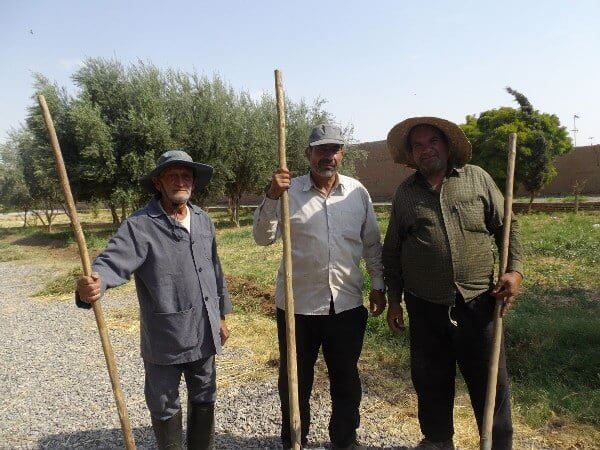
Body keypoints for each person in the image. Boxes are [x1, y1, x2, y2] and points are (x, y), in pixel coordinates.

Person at [382, 117, 523, 450]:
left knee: (491, 383)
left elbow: (507, 227)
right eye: (418, 145)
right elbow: (393, 252)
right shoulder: (405, 194)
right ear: (411, 154)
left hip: (479, 303)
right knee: (430, 380)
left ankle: (498, 443)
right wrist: (393, 299)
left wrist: (514, 272)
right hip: (425, 304)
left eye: (433, 141)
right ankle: (437, 440)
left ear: (447, 146)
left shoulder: (476, 179)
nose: (426, 149)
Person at [76, 150, 232, 450]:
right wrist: (93, 284)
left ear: (194, 183)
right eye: (172, 175)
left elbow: (215, 269)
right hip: (165, 337)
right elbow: (111, 262)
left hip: (204, 330)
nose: (180, 181)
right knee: (164, 403)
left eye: (186, 176)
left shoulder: (202, 220)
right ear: (158, 182)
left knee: (204, 395)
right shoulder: (140, 226)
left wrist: (221, 315)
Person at [253, 124, 386, 450]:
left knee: (346, 380)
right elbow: (262, 238)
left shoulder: (358, 192)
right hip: (297, 308)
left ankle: (344, 440)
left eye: (334, 149)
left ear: (342, 154)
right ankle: (295, 439)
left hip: (346, 305)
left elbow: (372, 244)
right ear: (308, 154)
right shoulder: (288, 192)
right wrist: (271, 195)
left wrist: (379, 285)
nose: (328, 156)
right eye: (321, 150)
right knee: (295, 383)